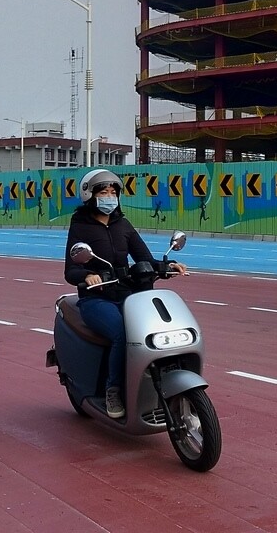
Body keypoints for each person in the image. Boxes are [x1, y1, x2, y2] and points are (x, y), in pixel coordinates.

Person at [63, 169, 187, 419]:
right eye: (103, 192)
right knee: (122, 332)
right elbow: (70, 269)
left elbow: (144, 257)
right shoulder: (80, 226)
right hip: (96, 297)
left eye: (113, 192)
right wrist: (87, 276)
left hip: (129, 294)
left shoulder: (123, 224)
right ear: (90, 195)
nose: (109, 197)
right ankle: (114, 389)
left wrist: (167, 265)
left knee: (152, 329)